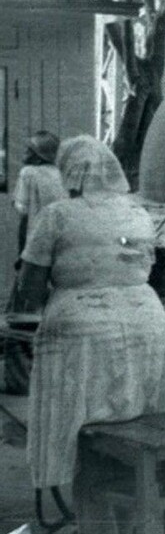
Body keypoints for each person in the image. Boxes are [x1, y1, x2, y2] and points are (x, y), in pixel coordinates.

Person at [16, 135, 165, 534]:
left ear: (69, 173)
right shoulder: (138, 213)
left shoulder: (57, 216)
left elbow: (27, 293)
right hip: (146, 326)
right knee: (129, 436)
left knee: (86, 439)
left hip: (83, 333)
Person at [3, 131, 66, 395]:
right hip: (59, 254)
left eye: (29, 149)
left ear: (39, 155)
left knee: (19, 318)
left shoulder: (30, 174)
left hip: (35, 252)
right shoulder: (63, 175)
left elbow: (24, 218)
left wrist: (22, 255)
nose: (25, 154)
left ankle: (19, 380)